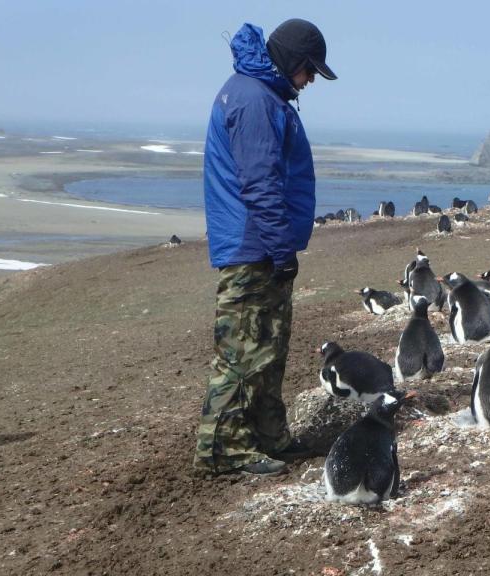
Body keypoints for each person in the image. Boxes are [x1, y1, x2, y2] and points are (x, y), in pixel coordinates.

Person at [193, 19, 336, 476]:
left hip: (261, 244)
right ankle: (224, 451)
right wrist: (281, 249)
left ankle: (270, 437)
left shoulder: (260, 93)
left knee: (268, 348)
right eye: (309, 70)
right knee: (243, 350)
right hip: (253, 246)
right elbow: (260, 184)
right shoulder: (255, 100)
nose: (310, 80)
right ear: (293, 61)